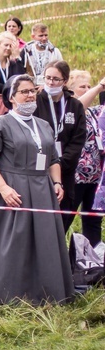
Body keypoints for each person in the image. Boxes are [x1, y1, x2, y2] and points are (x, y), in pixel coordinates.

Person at [0, 74, 74, 305]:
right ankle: (2, 291)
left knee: (44, 242)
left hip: (42, 190)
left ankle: (45, 293)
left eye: (32, 91)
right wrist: (4, 189)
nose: (30, 95)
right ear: (11, 97)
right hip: (10, 190)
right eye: (24, 92)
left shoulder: (44, 125)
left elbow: (53, 159)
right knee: (11, 243)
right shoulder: (0, 124)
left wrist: (57, 183)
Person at [33, 60, 86, 233]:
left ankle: (57, 249)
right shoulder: (35, 101)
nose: (50, 82)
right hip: (39, 168)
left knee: (65, 211)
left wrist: (61, 164)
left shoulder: (74, 105)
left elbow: (78, 140)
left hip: (66, 169)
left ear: (64, 81)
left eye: (55, 79)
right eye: (47, 78)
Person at [68, 70, 105, 248]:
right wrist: (99, 87)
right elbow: (78, 106)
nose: (88, 89)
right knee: (65, 218)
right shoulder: (68, 108)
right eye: (82, 86)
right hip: (75, 176)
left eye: (89, 86)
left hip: (95, 176)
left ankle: (93, 260)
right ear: (70, 89)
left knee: (93, 221)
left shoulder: (93, 112)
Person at [0, 32, 25, 123]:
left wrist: (17, 57)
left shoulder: (12, 64)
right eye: (6, 45)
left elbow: (19, 80)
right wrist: (11, 88)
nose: (8, 48)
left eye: (10, 46)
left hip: (11, 101)